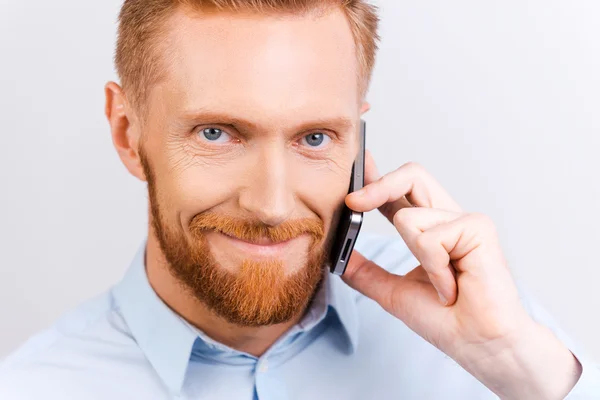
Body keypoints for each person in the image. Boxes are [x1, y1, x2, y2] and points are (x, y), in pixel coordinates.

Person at [1, 0, 599, 399]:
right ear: (128, 133)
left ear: (358, 136)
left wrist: (522, 367)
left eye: (315, 138)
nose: (272, 204)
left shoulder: (489, 334)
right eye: (217, 133)